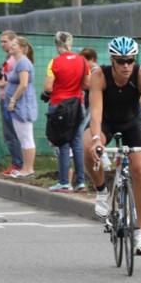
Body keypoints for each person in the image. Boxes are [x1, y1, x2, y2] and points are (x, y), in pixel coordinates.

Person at [83, 36, 141, 255]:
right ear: (112, 60)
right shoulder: (99, 75)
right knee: (88, 142)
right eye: (121, 61)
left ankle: (140, 232)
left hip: (131, 122)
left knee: (140, 170)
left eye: (130, 60)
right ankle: (100, 191)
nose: (126, 65)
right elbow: (95, 113)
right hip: (105, 122)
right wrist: (97, 140)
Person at [43, 31, 90, 192]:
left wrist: (58, 88)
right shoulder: (83, 61)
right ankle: (81, 182)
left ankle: (64, 182)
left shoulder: (54, 63)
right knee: (77, 143)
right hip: (78, 104)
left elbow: (48, 87)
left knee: (63, 143)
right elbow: (87, 84)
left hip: (59, 106)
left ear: (57, 45)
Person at [3, 37, 38, 177]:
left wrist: (13, 100)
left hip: (22, 106)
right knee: (23, 137)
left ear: (22, 48)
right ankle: (25, 167)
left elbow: (23, 84)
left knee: (26, 137)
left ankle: (29, 168)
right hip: (20, 106)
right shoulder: (19, 62)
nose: (10, 46)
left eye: (14, 45)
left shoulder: (23, 62)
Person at [0, 31, 24, 177]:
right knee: (9, 133)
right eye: (1, 42)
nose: (2, 44)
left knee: (12, 133)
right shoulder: (8, 59)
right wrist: (0, 81)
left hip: (10, 99)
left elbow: (16, 80)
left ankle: (18, 163)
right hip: (5, 98)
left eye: (5, 41)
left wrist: (5, 84)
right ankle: (17, 162)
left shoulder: (16, 61)